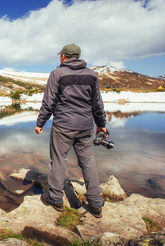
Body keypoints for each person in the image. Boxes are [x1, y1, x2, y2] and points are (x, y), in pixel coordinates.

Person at [35, 43, 107, 218]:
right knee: (88, 162)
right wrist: (101, 123)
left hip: (63, 126)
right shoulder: (91, 75)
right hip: (85, 126)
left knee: (58, 161)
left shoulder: (57, 74)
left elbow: (49, 102)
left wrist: (40, 123)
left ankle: (56, 200)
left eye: (60, 55)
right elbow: (97, 103)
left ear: (64, 56)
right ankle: (96, 204)